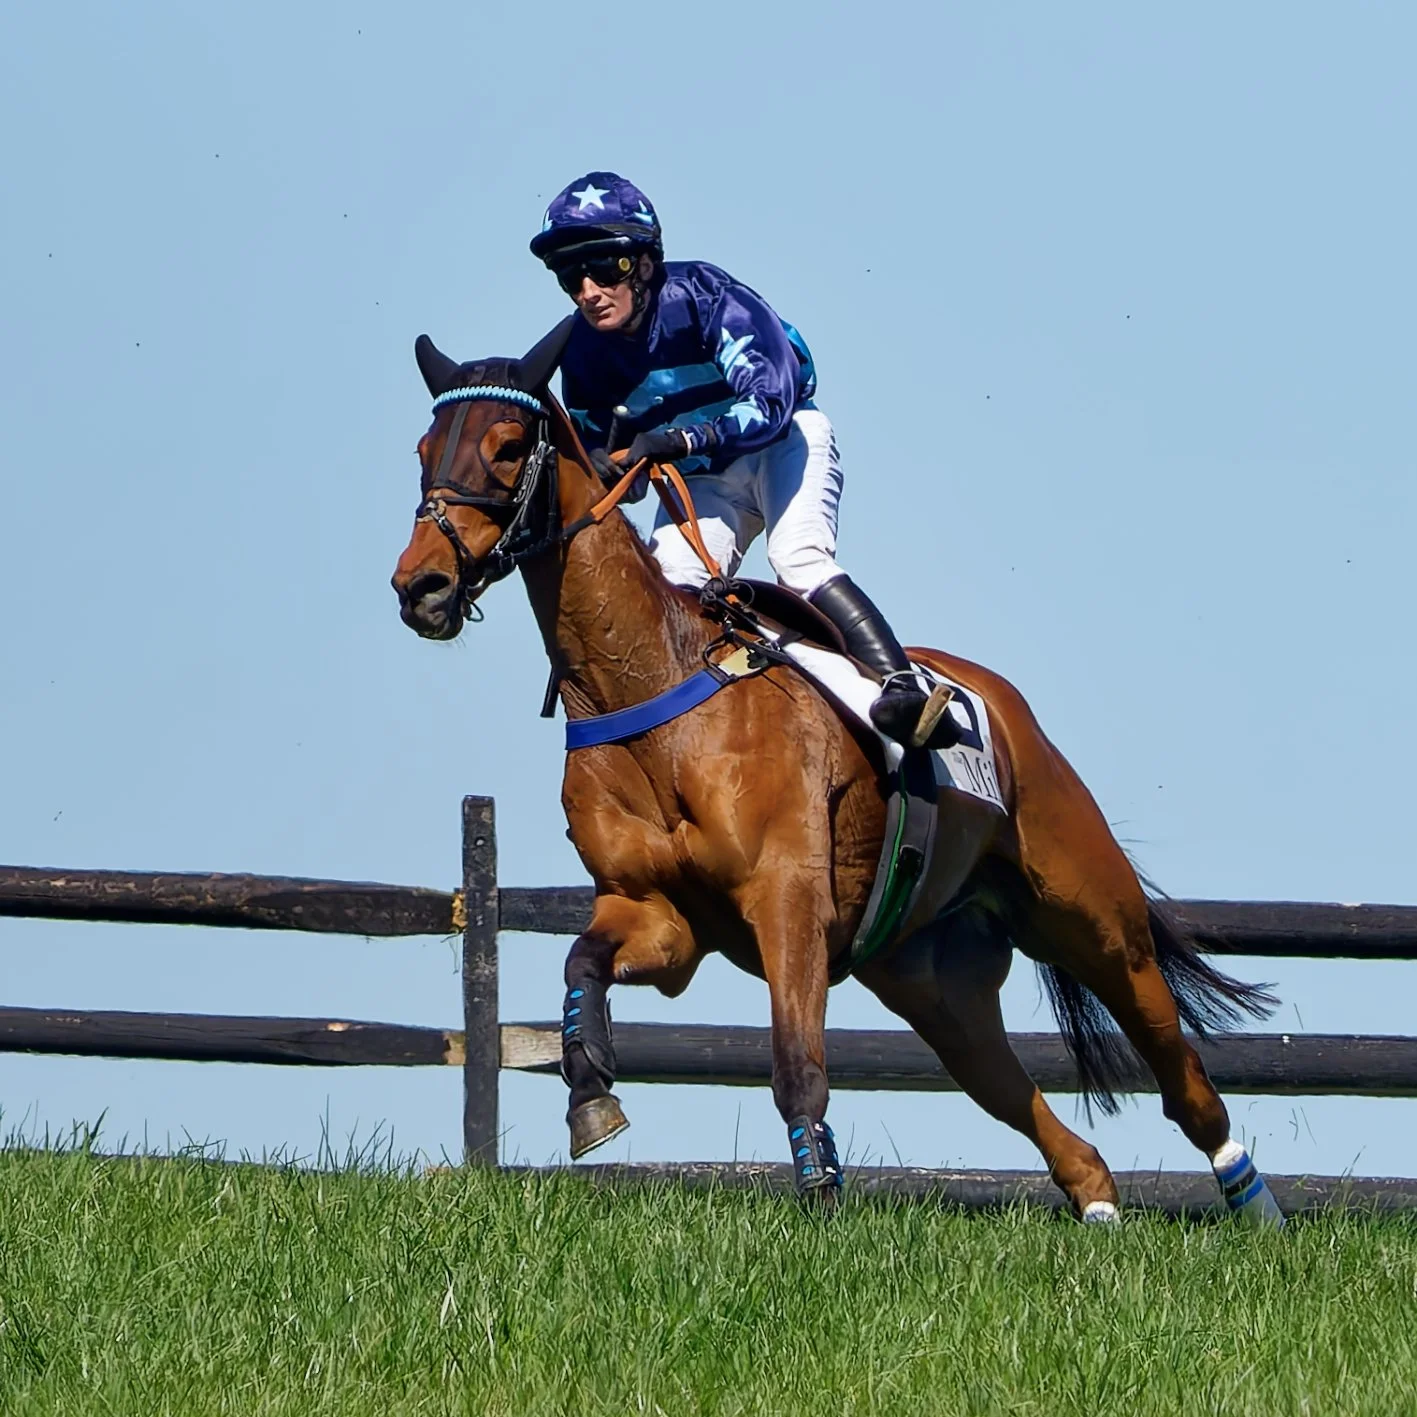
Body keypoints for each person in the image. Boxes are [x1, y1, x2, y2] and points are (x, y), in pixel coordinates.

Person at [530, 171, 954, 751]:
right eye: (569, 277)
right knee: (672, 593)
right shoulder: (581, 353)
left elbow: (771, 402)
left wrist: (679, 441)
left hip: (782, 445)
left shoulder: (704, 295)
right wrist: (605, 467)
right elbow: (616, 477)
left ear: (645, 263)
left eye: (605, 269)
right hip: (703, 481)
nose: (587, 291)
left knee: (798, 559)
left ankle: (900, 682)